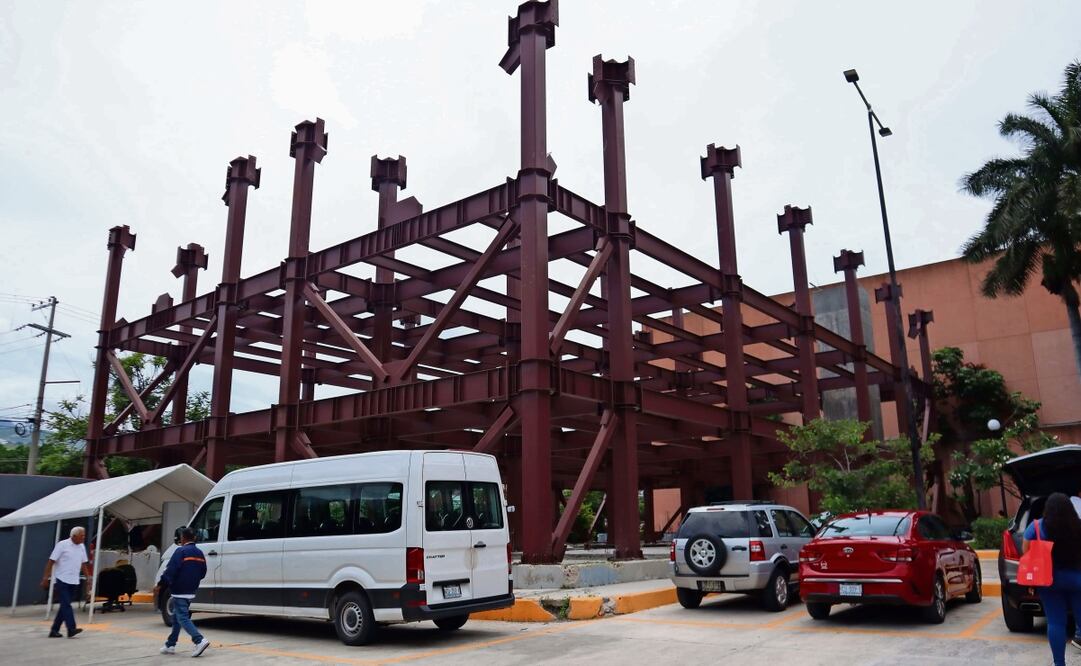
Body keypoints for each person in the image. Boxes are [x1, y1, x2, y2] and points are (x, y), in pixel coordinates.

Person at [1023, 493, 1081, 666]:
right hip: (1077, 580)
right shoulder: (1078, 526)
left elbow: (1026, 551)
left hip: (1049, 581)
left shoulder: (1037, 527)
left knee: (1056, 622)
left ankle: (1059, 663)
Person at [153, 528, 210, 657]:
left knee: (182, 617)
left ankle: (199, 640)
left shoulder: (180, 551)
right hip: (191, 590)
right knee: (177, 617)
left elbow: (170, 571)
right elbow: (203, 572)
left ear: (183, 538)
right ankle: (170, 644)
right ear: (194, 538)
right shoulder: (200, 553)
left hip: (179, 590)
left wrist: (160, 585)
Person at [41, 526, 92, 638]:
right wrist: (45, 578)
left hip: (74, 580)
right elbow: (51, 561)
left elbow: (83, 563)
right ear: (73, 536)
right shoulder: (62, 545)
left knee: (64, 605)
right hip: (61, 579)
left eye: (84, 535)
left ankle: (54, 630)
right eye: (81, 535)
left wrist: (88, 577)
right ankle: (71, 628)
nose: (84, 537)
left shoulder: (82, 546)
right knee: (67, 605)